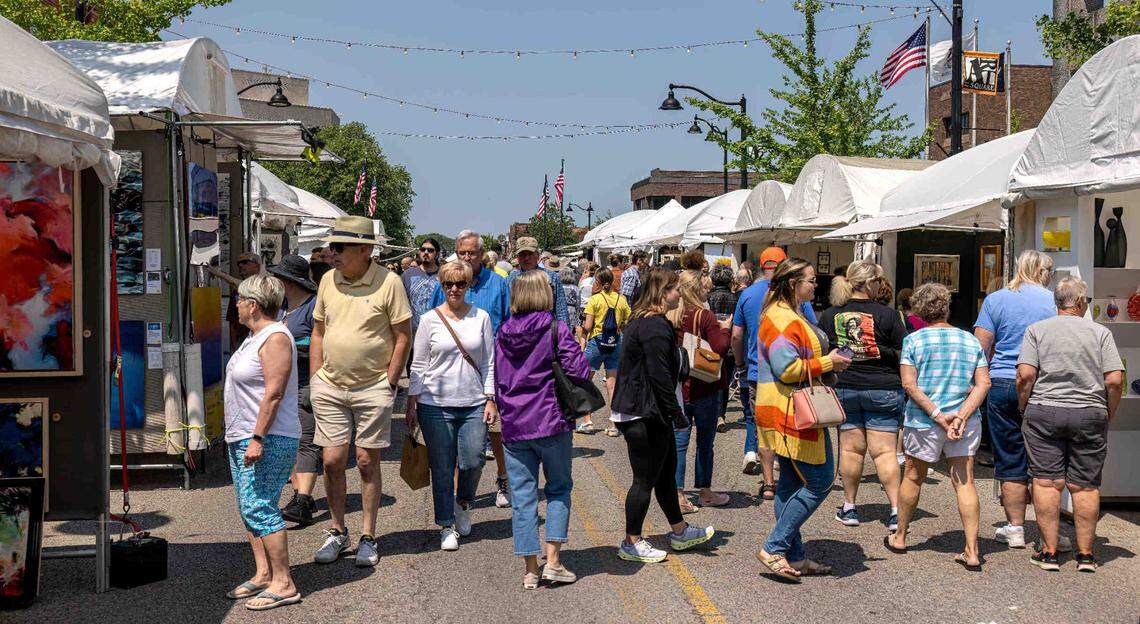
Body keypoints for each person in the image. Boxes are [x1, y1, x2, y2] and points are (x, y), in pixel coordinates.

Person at [309, 216, 412, 567]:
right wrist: (315, 377)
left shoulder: (390, 282)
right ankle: (337, 530)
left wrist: (391, 380)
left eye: (339, 247)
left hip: (373, 388)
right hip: (331, 385)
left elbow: (403, 336)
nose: (332, 253)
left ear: (366, 250)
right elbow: (319, 332)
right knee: (332, 460)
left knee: (367, 462)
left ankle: (368, 535)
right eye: (331, 246)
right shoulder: (327, 280)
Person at [1016, 277, 1122, 573]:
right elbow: (1114, 380)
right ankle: (1086, 555)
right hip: (1089, 412)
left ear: (1057, 303)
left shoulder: (1037, 331)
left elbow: (1025, 375)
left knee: (1046, 481)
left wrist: (1024, 406)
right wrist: (1107, 411)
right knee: (1085, 486)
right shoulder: (1101, 332)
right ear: (1082, 302)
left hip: (1045, 411)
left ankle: (1050, 552)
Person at [755, 259, 852, 582]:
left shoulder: (788, 314)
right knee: (822, 480)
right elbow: (787, 368)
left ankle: (794, 556)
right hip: (791, 410)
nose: (816, 284)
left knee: (791, 484)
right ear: (793, 283)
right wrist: (829, 362)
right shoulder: (782, 318)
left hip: (787, 407)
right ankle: (775, 546)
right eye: (810, 280)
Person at [610, 268, 715, 563]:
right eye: (674, 290)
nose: (678, 294)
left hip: (644, 409)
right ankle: (631, 540)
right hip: (644, 412)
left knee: (666, 473)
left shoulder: (641, 321)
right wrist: (676, 414)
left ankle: (679, 530)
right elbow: (660, 377)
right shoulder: (654, 325)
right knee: (644, 479)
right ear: (662, 292)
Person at [495, 271, 590, 588]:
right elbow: (579, 369)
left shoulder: (503, 331)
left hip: (515, 424)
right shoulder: (555, 328)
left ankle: (530, 570)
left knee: (522, 499)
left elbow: (497, 378)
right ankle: (554, 561)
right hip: (551, 420)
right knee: (559, 488)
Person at [888, 283, 990, 570]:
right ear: (947, 307)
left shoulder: (915, 340)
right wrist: (960, 415)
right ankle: (972, 549)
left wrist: (937, 414)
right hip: (964, 422)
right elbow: (983, 383)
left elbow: (909, 384)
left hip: (924, 420)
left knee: (913, 476)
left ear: (920, 310)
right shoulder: (970, 341)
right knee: (965, 481)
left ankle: (901, 536)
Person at [973, 250, 1067, 551]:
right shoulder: (1054, 302)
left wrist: (979, 383)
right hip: (1045, 383)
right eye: (1049, 270)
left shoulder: (996, 299)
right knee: (1046, 460)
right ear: (1042, 271)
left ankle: (1015, 528)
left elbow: (980, 346)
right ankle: (1047, 534)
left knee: (1010, 454)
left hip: (1002, 381)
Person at [223, 274, 302, 610]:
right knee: (249, 506)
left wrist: (257, 438)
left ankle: (284, 583)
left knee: (261, 506)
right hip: (242, 436)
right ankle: (263, 573)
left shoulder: (275, 337)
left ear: (252, 305)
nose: (236, 305)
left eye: (239, 300)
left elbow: (274, 392)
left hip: (268, 437)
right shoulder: (255, 336)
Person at [406, 261, 497, 552]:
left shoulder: (481, 317)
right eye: (448, 284)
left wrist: (490, 397)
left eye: (460, 283)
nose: (454, 289)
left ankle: (463, 503)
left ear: (469, 285)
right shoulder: (430, 320)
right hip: (434, 404)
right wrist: (412, 402)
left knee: (473, 460)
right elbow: (418, 364)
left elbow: (488, 361)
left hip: (472, 402)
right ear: (442, 286)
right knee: (442, 467)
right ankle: (446, 524)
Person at [818, 260, 908, 531]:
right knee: (884, 453)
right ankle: (895, 511)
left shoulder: (831, 314)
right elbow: (902, 349)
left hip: (845, 386)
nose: (881, 285)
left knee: (850, 450)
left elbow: (826, 348)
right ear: (870, 283)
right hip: (883, 387)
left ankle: (849, 507)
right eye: (879, 281)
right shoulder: (889, 315)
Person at [430, 230, 512, 507]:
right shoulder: (444, 283)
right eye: (462, 253)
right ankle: (457, 495)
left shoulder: (498, 285)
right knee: (454, 435)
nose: (467, 257)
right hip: (452, 371)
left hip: (491, 366)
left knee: (496, 429)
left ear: (482, 254)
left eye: (472, 253)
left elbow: (509, 324)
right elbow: (431, 321)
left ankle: (503, 478)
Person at [731, 247, 816, 498]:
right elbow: (812, 328)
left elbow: (736, 335)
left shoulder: (748, 294)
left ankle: (768, 482)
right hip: (793, 369)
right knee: (792, 423)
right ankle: (792, 479)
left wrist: (740, 364)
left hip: (760, 371)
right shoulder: (795, 299)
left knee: (764, 426)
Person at [670, 270, 732, 511]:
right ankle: (705, 491)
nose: (708, 292)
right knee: (705, 443)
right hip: (705, 384)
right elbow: (720, 347)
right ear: (697, 290)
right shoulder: (704, 316)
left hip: (679, 384)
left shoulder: (672, 315)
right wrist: (724, 328)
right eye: (705, 288)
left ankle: (678, 494)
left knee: (680, 441)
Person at [269, 256, 321, 527]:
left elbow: (320, 345)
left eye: (279, 277)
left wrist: (289, 344)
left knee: (307, 441)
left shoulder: (313, 307)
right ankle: (302, 493)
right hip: (282, 385)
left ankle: (301, 499)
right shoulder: (281, 307)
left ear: (289, 281)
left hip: (306, 383)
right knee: (289, 440)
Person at [577, 269, 631, 436]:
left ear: (598, 282)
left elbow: (587, 326)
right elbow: (626, 322)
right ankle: (613, 423)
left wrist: (581, 336)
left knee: (586, 380)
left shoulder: (594, 300)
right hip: (615, 342)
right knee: (612, 383)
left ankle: (587, 421)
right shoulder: (621, 300)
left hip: (596, 342)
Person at [507, 237, 570, 326]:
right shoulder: (511, 279)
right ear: (517, 257)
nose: (526, 258)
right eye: (522, 254)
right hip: (519, 333)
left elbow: (561, 310)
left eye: (530, 254)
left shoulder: (551, 277)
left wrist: (564, 334)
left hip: (546, 333)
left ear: (538, 255)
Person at [707, 265, 739, 431]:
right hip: (730, 345)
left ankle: (710, 413)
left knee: (709, 378)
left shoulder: (708, 297)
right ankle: (721, 415)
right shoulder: (736, 298)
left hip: (710, 344)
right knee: (725, 381)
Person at [211, 252, 263, 350]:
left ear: (257, 265)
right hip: (242, 342)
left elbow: (249, 287)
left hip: (261, 340)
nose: (240, 265)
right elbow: (232, 321)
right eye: (238, 263)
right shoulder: (236, 292)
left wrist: (221, 275)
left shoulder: (265, 285)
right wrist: (234, 348)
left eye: (245, 262)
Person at [402, 237, 443, 334]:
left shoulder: (444, 274)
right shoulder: (408, 274)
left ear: (437, 254)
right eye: (423, 249)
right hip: (412, 334)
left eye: (430, 250)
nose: (425, 252)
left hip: (438, 332)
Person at [560, 266, 582, 331]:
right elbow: (578, 302)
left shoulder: (559, 286)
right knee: (570, 330)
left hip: (560, 309)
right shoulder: (575, 288)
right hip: (572, 310)